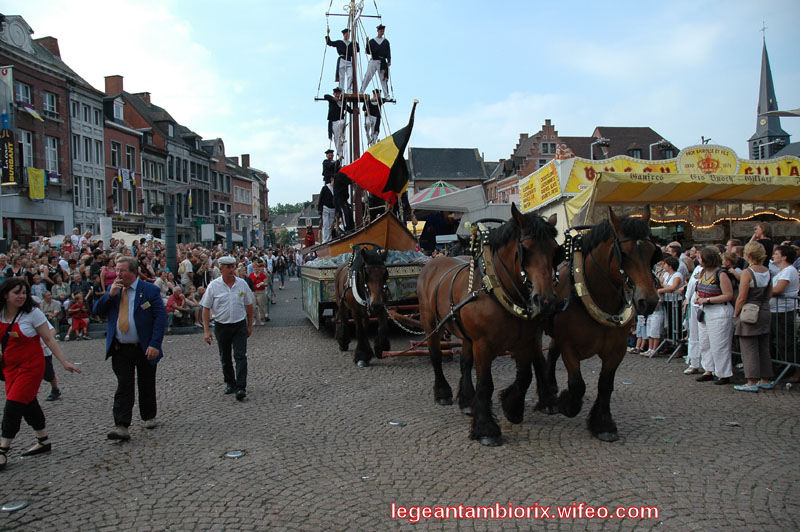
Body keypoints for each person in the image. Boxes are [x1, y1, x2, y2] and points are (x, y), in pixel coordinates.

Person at [0, 278, 81, 470]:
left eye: (24, 292)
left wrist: (63, 361)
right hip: (10, 368)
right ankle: (43, 440)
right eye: (16, 292)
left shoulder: (32, 313)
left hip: (31, 367)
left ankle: (2, 449)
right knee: (28, 403)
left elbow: (49, 340)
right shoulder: (1, 313)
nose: (21, 296)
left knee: (13, 405)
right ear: (5, 295)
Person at [93, 256, 167, 441]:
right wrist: (109, 296)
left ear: (134, 272)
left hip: (143, 346)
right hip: (121, 348)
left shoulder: (149, 290)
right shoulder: (113, 290)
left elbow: (160, 318)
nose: (118, 274)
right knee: (124, 384)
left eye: (122, 271)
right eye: (117, 270)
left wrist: (155, 344)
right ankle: (121, 425)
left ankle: (149, 415)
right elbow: (97, 311)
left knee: (146, 382)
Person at [201, 256, 254, 401]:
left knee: (240, 355)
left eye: (233, 267)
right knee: (225, 356)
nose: (231, 270)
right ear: (221, 268)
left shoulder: (242, 284)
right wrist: (206, 330)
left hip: (239, 324)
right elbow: (205, 308)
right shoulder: (214, 286)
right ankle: (230, 382)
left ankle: (241, 387)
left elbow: (249, 305)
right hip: (222, 325)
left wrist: (249, 325)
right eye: (228, 267)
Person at [733, 242, 774, 392]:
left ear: (748, 255)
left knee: (749, 347)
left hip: (749, 310)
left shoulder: (747, 273)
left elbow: (742, 297)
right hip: (764, 309)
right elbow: (770, 293)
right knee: (763, 346)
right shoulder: (768, 271)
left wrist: (736, 313)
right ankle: (765, 378)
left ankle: (751, 380)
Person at [694, 246, 735, 385]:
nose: (698, 260)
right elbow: (699, 289)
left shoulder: (721, 274)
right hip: (705, 310)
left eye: (700, 258)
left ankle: (723, 373)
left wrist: (708, 299)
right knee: (705, 342)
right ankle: (708, 369)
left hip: (719, 311)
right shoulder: (703, 272)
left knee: (719, 344)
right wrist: (698, 297)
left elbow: (728, 295)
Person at [769, 244, 798, 367]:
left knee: (785, 341)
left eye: (776, 254)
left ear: (784, 257)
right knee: (778, 340)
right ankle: (784, 365)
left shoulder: (789, 270)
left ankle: (794, 368)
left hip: (783, 311)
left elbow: (778, 289)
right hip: (776, 310)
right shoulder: (782, 271)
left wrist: (761, 291)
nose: (773, 256)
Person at [360, 24, 391, 96]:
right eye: (380, 30)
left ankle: (386, 94)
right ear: (378, 31)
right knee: (367, 76)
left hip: (382, 62)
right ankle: (361, 91)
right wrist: (367, 43)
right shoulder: (372, 41)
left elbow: (388, 52)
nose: (382, 31)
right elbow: (368, 51)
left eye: (383, 30)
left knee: (383, 79)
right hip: (373, 60)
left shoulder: (386, 41)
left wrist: (389, 60)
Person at [326, 27, 359, 92]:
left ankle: (349, 90)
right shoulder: (339, 42)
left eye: (349, 34)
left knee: (350, 76)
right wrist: (328, 34)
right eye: (346, 34)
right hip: (342, 60)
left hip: (349, 61)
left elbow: (357, 50)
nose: (348, 35)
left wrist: (356, 43)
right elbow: (330, 43)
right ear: (343, 34)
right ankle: (341, 91)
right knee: (341, 77)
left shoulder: (351, 43)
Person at [324, 88, 349, 158]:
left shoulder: (342, 102)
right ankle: (340, 153)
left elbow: (348, 109)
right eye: (336, 93)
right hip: (333, 121)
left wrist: (355, 111)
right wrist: (333, 98)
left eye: (338, 93)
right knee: (336, 138)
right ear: (334, 94)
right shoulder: (331, 100)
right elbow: (325, 96)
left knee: (341, 123)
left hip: (340, 120)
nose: (337, 94)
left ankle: (342, 136)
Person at [318, 175, 336, 244]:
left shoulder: (335, 189)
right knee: (325, 224)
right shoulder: (325, 188)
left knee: (330, 225)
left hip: (333, 209)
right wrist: (320, 210)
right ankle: (325, 239)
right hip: (325, 208)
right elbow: (321, 199)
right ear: (331, 179)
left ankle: (329, 238)